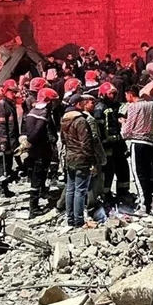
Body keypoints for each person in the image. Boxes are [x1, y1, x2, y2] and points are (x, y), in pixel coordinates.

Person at [61, 94, 98, 227]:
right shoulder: (81, 121)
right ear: (77, 104)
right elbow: (86, 143)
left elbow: (63, 140)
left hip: (69, 157)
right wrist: (92, 160)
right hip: (81, 159)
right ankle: (78, 220)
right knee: (80, 191)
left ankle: (70, 219)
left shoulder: (64, 119)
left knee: (70, 189)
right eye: (82, 102)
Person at [121, 85, 153, 214]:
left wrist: (123, 123)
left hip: (137, 142)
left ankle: (143, 206)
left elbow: (127, 131)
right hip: (149, 142)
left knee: (138, 174)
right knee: (147, 173)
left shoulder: (133, 107)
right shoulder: (150, 106)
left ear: (130, 94)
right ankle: (148, 202)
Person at [23, 88, 59, 218]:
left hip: (38, 151)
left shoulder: (33, 112)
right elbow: (38, 131)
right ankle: (34, 207)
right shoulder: (43, 113)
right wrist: (29, 142)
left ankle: (38, 199)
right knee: (37, 178)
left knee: (39, 176)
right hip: (40, 152)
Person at [94, 82, 130, 201]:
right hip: (107, 145)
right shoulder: (99, 108)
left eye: (114, 94)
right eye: (110, 94)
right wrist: (104, 143)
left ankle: (123, 191)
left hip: (118, 143)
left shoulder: (116, 106)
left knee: (123, 168)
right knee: (108, 171)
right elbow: (99, 129)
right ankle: (106, 193)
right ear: (103, 94)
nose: (113, 96)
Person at [0, 80, 20, 197]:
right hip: (2, 141)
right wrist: (3, 140)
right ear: (6, 91)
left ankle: (5, 187)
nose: (14, 94)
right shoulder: (2, 105)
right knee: (2, 165)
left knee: (7, 165)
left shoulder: (9, 105)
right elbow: (0, 124)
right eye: (12, 92)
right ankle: (1, 189)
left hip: (9, 140)